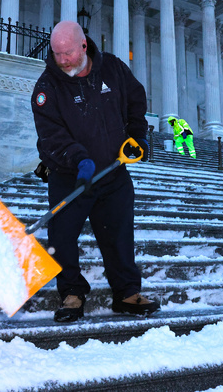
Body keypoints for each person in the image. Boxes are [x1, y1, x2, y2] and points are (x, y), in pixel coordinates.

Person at [31, 20, 160, 323]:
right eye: (57, 54)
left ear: (84, 46)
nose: (62, 60)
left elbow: (136, 103)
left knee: (119, 235)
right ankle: (72, 293)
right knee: (62, 236)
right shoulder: (46, 88)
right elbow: (51, 135)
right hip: (69, 175)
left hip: (113, 173)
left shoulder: (113, 69)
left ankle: (126, 293)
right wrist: (79, 160)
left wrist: (138, 136)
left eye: (68, 54)